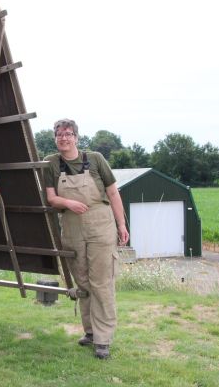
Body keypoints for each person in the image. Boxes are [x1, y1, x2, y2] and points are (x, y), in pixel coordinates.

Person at [44, 119, 129, 360]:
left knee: (101, 282)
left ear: (76, 138)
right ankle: (90, 331)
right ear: (55, 138)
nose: (64, 138)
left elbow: (113, 192)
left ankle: (103, 340)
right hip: (71, 226)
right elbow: (51, 198)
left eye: (68, 134)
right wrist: (68, 202)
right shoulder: (51, 163)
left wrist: (121, 224)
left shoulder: (95, 159)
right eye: (59, 134)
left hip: (100, 224)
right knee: (83, 282)